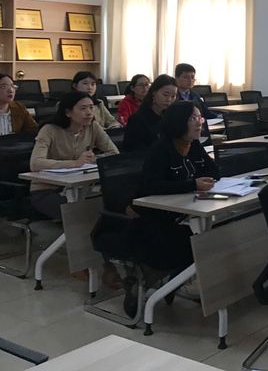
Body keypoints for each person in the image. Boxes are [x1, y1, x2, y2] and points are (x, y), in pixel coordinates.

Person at [28, 91, 121, 287]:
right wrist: (73, 163)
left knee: (103, 211)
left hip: (81, 189)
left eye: (91, 108)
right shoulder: (49, 130)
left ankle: (99, 263)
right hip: (46, 191)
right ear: (68, 112)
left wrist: (96, 159)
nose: (89, 113)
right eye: (83, 108)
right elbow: (35, 163)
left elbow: (114, 153)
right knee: (84, 215)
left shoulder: (93, 127)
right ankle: (96, 266)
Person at [131, 101, 219, 274]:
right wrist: (193, 184)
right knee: (199, 242)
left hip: (188, 208)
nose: (199, 123)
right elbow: (152, 186)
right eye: (192, 119)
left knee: (222, 229)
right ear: (178, 122)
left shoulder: (194, 144)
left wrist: (205, 180)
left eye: (199, 118)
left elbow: (214, 171)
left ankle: (200, 279)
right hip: (159, 219)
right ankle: (187, 280)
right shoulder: (161, 150)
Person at [123, 74, 177, 152]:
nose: (169, 100)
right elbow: (134, 151)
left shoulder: (172, 116)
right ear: (154, 93)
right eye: (165, 95)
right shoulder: (137, 120)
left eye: (173, 96)